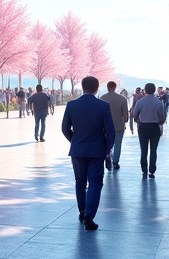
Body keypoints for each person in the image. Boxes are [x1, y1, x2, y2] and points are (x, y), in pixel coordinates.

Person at [61, 76, 115, 232]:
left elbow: (65, 128)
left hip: (77, 149)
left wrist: (74, 140)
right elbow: (110, 131)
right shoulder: (103, 106)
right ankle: (89, 217)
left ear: (82, 87)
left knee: (80, 181)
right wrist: (107, 148)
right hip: (97, 150)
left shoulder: (71, 105)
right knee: (95, 183)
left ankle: (82, 211)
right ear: (97, 88)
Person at [131, 82, 167, 178]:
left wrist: (138, 121)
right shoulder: (158, 102)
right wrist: (160, 123)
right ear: (154, 90)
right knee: (153, 150)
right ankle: (152, 170)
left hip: (143, 127)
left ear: (145, 90)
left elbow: (134, 114)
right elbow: (162, 116)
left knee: (144, 150)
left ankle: (144, 171)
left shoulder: (140, 102)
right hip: (155, 127)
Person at [99, 81, 129, 171]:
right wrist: (125, 120)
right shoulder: (122, 99)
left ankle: (108, 156)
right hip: (118, 125)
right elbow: (125, 115)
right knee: (118, 144)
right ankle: (115, 162)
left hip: (105, 126)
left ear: (107, 87)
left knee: (107, 144)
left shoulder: (102, 98)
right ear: (115, 87)